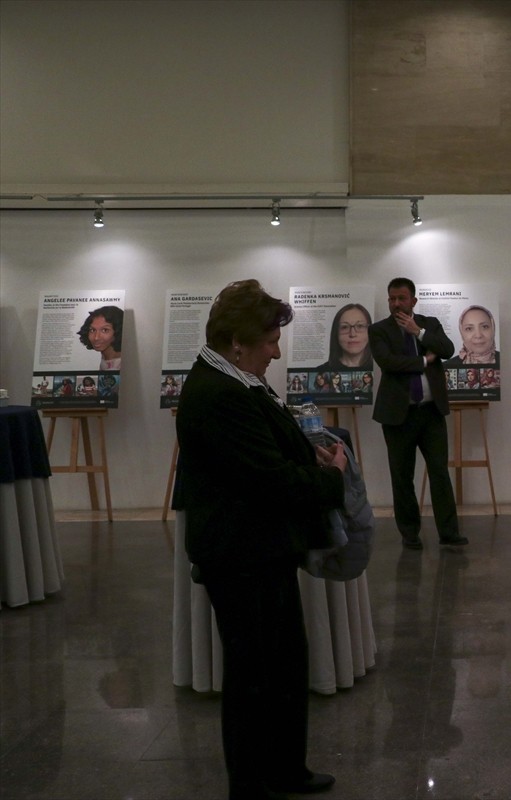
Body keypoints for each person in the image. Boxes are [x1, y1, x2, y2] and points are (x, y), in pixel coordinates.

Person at [175, 279, 346, 799]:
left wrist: (304, 452)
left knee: (283, 664)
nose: (276, 350)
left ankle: (284, 768)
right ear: (238, 342)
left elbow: (268, 452)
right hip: (241, 555)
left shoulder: (234, 378)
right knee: (254, 677)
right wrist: (333, 477)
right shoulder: (220, 393)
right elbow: (267, 480)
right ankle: (253, 784)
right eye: (270, 340)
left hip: (260, 550)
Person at [369, 277, 467, 550]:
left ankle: (449, 534)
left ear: (413, 300)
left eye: (401, 298)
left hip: (430, 413)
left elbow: (447, 350)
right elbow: (389, 363)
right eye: (392, 299)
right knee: (402, 476)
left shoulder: (430, 323)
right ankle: (410, 534)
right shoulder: (379, 330)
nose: (396, 303)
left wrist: (419, 332)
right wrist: (424, 360)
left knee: (439, 473)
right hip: (397, 415)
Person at [316, 303, 373, 373]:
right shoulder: (320, 372)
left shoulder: (379, 369)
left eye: (360, 326)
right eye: (345, 327)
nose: (352, 334)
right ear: (336, 333)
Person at [77, 305, 124, 370]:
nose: (96, 337)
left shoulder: (125, 365)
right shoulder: (106, 359)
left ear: (118, 331)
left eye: (105, 330)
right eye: (92, 330)